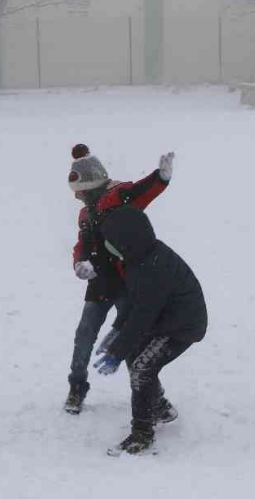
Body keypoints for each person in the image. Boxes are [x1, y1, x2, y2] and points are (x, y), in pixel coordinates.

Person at [64, 144, 174, 415]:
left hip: (128, 283)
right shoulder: (85, 213)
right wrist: (80, 262)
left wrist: (160, 178)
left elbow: (142, 190)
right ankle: (77, 387)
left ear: (92, 186)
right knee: (84, 335)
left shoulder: (119, 196)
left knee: (132, 341)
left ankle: (155, 399)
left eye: (80, 191)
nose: (76, 197)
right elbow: (82, 243)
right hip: (100, 284)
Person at [91, 205, 207, 457]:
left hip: (183, 326)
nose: (109, 247)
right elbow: (134, 303)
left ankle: (142, 434)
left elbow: (143, 316)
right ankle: (159, 407)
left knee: (142, 368)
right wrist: (116, 332)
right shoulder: (139, 259)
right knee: (137, 356)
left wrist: (117, 350)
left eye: (112, 242)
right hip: (164, 320)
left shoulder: (153, 267)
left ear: (127, 241)